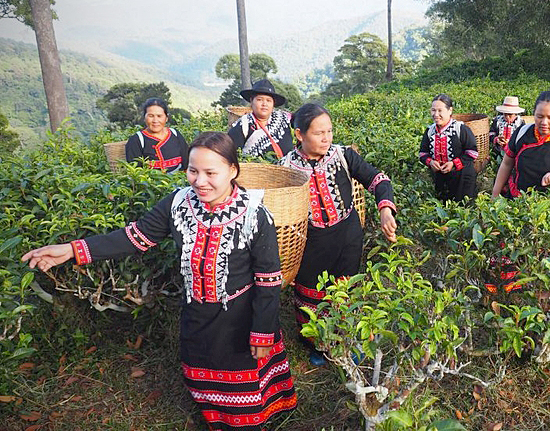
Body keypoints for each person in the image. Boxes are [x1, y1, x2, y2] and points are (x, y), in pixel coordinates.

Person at [23, 132, 297, 430]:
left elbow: (268, 279)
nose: (200, 181)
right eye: (192, 171)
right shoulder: (178, 203)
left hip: (239, 317)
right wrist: (71, 250)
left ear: (232, 171)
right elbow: (134, 237)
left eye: (210, 173)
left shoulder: (255, 215)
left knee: (243, 384)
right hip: (196, 312)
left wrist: (262, 331)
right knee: (204, 378)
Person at [280, 103, 398, 366]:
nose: (326, 138)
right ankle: (318, 343)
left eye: (329, 131)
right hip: (310, 243)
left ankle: (348, 339)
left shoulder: (343, 155)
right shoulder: (286, 169)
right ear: (299, 134)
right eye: (318, 133)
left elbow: (378, 179)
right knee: (311, 291)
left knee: (346, 289)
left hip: (347, 236)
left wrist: (385, 209)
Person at [491, 89, 550, 199]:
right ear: (534, 114)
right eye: (540, 116)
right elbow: (506, 164)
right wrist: (495, 195)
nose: (544, 122)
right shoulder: (522, 132)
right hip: (517, 199)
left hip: (548, 203)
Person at [418, 94, 479, 201]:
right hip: (440, 178)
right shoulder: (430, 131)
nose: (436, 114)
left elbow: (472, 152)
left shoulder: (460, 129)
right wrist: (430, 162)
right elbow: (423, 153)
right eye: (433, 110)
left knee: (462, 205)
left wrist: (453, 164)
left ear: (450, 110)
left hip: (462, 178)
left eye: (440, 111)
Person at [228, 78, 293, 159]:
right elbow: (230, 153)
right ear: (252, 101)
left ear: (273, 104)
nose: (264, 104)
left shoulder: (283, 120)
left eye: (268, 100)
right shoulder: (244, 125)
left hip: (285, 166)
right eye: (259, 100)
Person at [125, 98, 189, 173]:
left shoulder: (175, 134)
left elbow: (187, 161)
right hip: (150, 180)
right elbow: (136, 172)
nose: (155, 120)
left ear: (166, 118)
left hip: (179, 178)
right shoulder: (136, 140)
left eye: (159, 116)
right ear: (144, 118)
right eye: (151, 116)